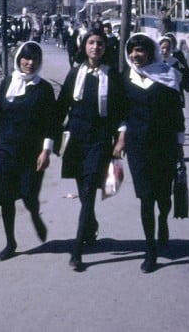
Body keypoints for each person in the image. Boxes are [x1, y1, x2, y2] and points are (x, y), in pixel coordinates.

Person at [55, 28, 127, 270]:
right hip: (76, 138)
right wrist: (52, 140)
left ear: (106, 48)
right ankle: (92, 223)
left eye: (100, 44)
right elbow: (61, 107)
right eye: (91, 43)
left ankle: (77, 252)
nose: (96, 47)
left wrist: (120, 140)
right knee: (84, 190)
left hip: (100, 139)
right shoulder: (75, 73)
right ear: (84, 46)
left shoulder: (113, 76)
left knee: (88, 189)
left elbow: (122, 112)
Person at [116, 33, 184, 273]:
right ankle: (150, 251)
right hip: (138, 147)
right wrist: (122, 137)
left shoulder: (168, 76)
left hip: (163, 146)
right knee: (145, 198)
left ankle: (163, 220)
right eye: (132, 50)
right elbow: (121, 112)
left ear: (150, 52)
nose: (136, 55)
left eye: (140, 50)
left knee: (163, 196)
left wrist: (179, 145)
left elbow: (177, 114)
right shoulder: (125, 78)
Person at [0, 41, 55, 261]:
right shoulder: (8, 82)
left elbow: (51, 124)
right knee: (6, 197)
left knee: (27, 194)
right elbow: (0, 114)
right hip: (6, 148)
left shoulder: (44, 89)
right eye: (26, 58)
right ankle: (10, 242)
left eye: (35, 59)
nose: (30, 63)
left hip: (30, 151)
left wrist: (46, 151)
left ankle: (35, 212)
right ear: (18, 59)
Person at [159, 34, 189, 106]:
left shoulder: (175, 62)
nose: (165, 50)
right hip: (159, 96)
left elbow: (183, 74)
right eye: (163, 48)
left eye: (168, 48)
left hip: (174, 95)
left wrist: (186, 85)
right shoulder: (155, 62)